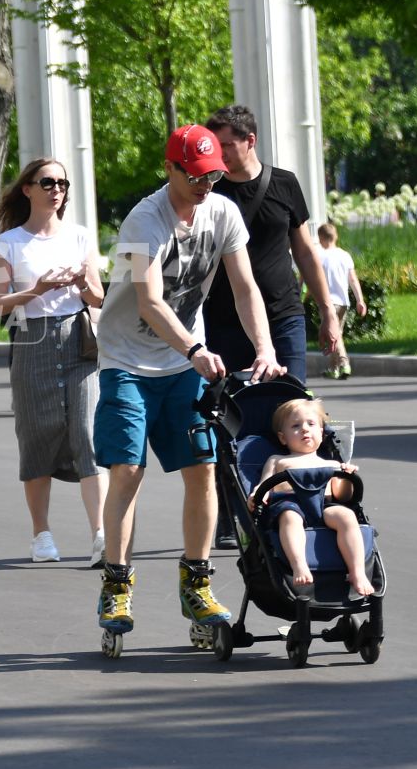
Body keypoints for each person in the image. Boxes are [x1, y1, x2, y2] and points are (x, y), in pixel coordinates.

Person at [93, 125, 284, 644]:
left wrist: (265, 349)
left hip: (182, 364)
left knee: (202, 470)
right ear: (170, 169)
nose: (207, 185)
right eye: (197, 176)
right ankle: (116, 582)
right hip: (127, 360)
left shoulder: (222, 213)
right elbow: (151, 301)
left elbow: (246, 288)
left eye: (215, 175)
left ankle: (196, 583)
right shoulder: (143, 220)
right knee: (127, 471)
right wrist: (196, 349)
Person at [0, 157, 108, 566]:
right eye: (47, 182)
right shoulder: (9, 243)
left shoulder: (78, 236)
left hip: (78, 340)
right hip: (32, 340)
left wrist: (82, 284)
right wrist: (37, 289)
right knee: (36, 437)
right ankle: (41, 535)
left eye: (62, 183)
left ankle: (100, 536)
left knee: (89, 434)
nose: (56, 189)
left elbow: (99, 298)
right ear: (28, 189)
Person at [201, 106, 340, 383]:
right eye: (216, 146)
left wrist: (328, 311)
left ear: (250, 141)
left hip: (283, 316)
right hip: (225, 321)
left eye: (227, 145)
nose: (221, 153)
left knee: (291, 403)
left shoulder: (284, 183)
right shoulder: (207, 192)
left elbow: (304, 252)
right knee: (234, 412)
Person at [256, 398, 374, 598]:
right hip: (290, 503)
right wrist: (259, 493)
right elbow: (264, 483)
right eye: (295, 426)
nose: (304, 429)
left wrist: (347, 476)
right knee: (290, 518)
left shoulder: (331, 463)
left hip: (325, 505)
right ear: (283, 438)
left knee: (346, 515)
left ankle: (357, 572)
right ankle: (299, 565)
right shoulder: (279, 460)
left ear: (321, 432)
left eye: (311, 424)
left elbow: (342, 495)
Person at [315, 223, 366, 379]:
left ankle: (344, 364)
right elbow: (353, 279)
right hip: (343, 301)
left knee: (334, 334)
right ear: (335, 236)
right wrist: (360, 300)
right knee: (336, 335)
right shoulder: (345, 255)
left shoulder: (321, 256)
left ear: (321, 238)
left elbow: (315, 279)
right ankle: (334, 368)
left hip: (327, 302)